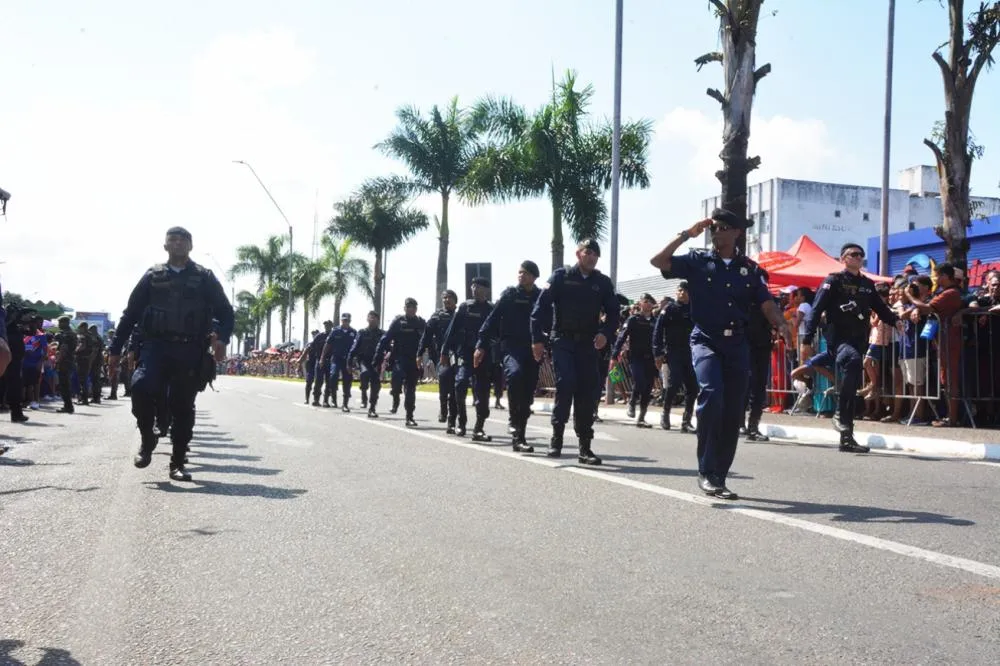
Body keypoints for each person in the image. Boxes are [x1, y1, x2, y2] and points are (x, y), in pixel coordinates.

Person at [650, 209, 791, 499]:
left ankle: (719, 476)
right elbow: (658, 261)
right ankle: (705, 470)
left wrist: (782, 324)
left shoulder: (750, 270)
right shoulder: (697, 261)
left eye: (724, 227)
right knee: (711, 394)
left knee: (733, 410)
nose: (717, 231)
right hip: (705, 339)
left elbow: (766, 304)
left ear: (737, 233)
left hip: (737, 344)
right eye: (714, 227)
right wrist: (687, 234)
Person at [108, 227, 234, 482]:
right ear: (165, 246)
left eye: (182, 240)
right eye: (172, 240)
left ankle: (177, 462)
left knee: (183, 406)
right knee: (141, 388)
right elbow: (130, 314)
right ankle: (147, 438)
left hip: (190, 349)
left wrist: (221, 338)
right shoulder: (152, 276)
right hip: (156, 346)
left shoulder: (205, 277)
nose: (177, 243)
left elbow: (225, 311)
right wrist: (114, 350)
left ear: (191, 245)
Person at [802, 242, 902, 452]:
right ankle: (839, 413)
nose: (858, 257)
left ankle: (846, 437)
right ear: (843, 259)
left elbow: (880, 307)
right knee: (854, 361)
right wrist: (806, 340)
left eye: (861, 255)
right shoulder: (833, 281)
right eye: (853, 254)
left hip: (859, 339)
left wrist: (895, 321)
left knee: (854, 378)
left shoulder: (866, 284)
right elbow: (816, 308)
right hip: (838, 340)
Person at [531, 239, 619, 465]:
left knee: (587, 391)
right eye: (587, 252)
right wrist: (537, 340)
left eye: (595, 254)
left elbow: (613, 313)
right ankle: (556, 438)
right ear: (578, 254)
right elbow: (540, 309)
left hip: (588, 344)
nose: (591, 257)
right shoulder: (561, 277)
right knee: (566, 383)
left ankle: (585, 447)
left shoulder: (602, 282)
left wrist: (605, 333)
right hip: (563, 341)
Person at [476, 261, 541, 452]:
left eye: (526, 273)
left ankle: (520, 436)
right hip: (511, 347)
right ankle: (515, 425)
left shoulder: (540, 297)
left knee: (528, 394)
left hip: (533, 348)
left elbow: (550, 319)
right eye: (520, 272)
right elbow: (492, 319)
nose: (522, 276)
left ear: (534, 277)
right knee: (515, 374)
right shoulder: (510, 295)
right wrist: (481, 345)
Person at [442, 277, 495, 440]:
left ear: (486, 290)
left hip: (484, 355)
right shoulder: (465, 307)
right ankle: (461, 422)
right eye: (473, 286)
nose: (474, 289)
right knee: (460, 383)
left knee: (483, 392)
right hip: (465, 353)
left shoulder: (491, 309)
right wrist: (444, 351)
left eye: (478, 286)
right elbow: (452, 330)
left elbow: (498, 332)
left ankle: (479, 427)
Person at [374, 298, 425, 427]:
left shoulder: (420, 323)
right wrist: (377, 356)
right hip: (399, 358)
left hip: (414, 359)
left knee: (410, 389)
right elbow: (385, 339)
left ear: (416, 309)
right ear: (404, 308)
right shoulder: (398, 322)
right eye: (409, 307)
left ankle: (409, 416)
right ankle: (395, 396)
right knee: (396, 380)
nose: (411, 309)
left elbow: (428, 340)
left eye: (413, 307)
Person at [654, 282, 697, 432]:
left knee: (693, 387)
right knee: (674, 383)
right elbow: (658, 331)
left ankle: (687, 421)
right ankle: (665, 414)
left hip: (691, 352)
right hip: (673, 351)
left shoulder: (695, 308)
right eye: (680, 290)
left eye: (685, 291)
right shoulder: (669, 309)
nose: (682, 293)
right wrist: (657, 352)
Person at [611, 293, 658, 428]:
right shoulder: (633, 319)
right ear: (640, 303)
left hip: (651, 358)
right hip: (636, 357)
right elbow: (622, 336)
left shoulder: (655, 321)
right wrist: (614, 355)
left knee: (648, 387)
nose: (648, 304)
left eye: (650, 302)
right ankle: (632, 402)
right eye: (645, 301)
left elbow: (661, 338)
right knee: (640, 380)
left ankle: (642, 417)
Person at [419, 290, 458, 428]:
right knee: (444, 377)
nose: (447, 300)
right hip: (442, 355)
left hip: (458, 355)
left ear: (455, 300)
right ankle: (443, 408)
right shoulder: (436, 317)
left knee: (455, 388)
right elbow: (426, 336)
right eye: (444, 298)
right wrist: (420, 353)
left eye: (450, 298)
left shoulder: (461, 315)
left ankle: (452, 420)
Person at [348, 311, 384, 418]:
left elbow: (388, 346)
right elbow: (354, 347)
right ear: (367, 319)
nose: (372, 320)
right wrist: (349, 361)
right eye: (370, 318)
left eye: (375, 318)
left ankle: (372, 408)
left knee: (376, 384)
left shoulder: (382, 334)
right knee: (365, 374)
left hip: (376, 361)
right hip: (364, 360)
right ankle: (364, 392)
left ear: (378, 320)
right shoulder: (362, 332)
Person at [322, 313, 357, 412]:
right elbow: (327, 345)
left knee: (347, 380)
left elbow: (357, 347)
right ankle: (331, 398)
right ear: (341, 320)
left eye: (347, 320)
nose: (345, 322)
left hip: (347, 360)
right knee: (333, 377)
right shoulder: (335, 331)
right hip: (336, 358)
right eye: (344, 320)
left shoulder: (353, 332)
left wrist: (355, 361)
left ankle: (345, 404)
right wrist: (322, 358)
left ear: (350, 321)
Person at [54, 316, 77, 414]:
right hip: (70, 361)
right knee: (66, 384)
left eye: (60, 323)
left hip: (65, 362)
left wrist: (58, 361)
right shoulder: (72, 333)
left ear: (65, 323)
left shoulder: (66, 335)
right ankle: (68, 406)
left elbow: (64, 348)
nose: (58, 325)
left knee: (64, 385)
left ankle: (68, 406)